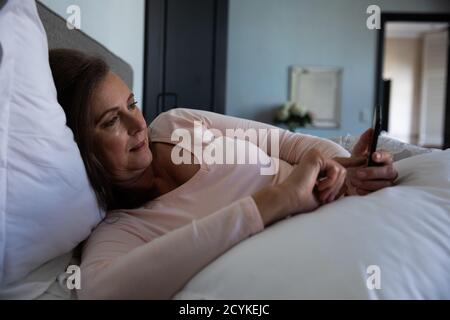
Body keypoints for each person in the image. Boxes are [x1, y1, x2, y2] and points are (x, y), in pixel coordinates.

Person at [49, 49, 397, 299]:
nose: (136, 124)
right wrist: (276, 200)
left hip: (353, 206)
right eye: (111, 121)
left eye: (132, 104)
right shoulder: (120, 231)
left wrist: (345, 167)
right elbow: (101, 293)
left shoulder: (177, 123)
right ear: (79, 148)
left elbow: (290, 144)